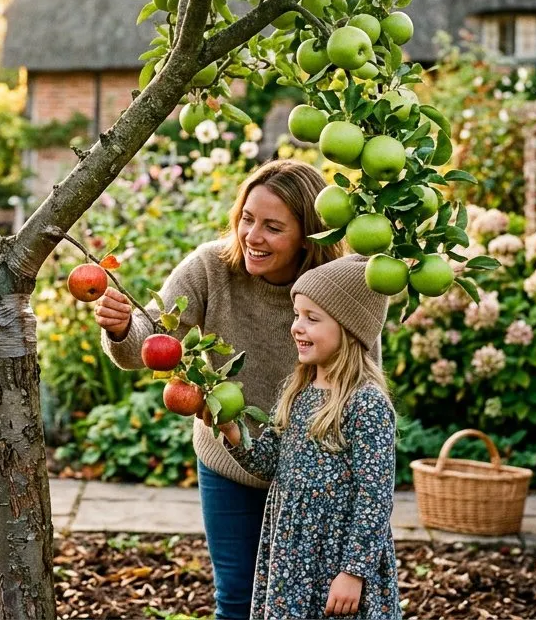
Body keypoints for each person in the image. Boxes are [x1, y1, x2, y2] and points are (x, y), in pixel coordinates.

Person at [95, 159, 343, 620]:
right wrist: (122, 326)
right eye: (247, 219)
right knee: (237, 598)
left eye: (273, 227)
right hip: (228, 462)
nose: (252, 236)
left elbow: (358, 382)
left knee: (311, 603)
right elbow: (145, 342)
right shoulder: (212, 268)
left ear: (307, 235)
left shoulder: (336, 286)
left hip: (310, 469)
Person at [222, 254, 400, 619]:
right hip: (293, 555)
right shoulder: (298, 390)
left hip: (339, 557)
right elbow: (269, 462)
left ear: (349, 329)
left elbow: (375, 497)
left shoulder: (365, 403)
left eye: (311, 318)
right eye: (297, 315)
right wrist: (230, 429)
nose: (296, 327)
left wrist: (353, 572)